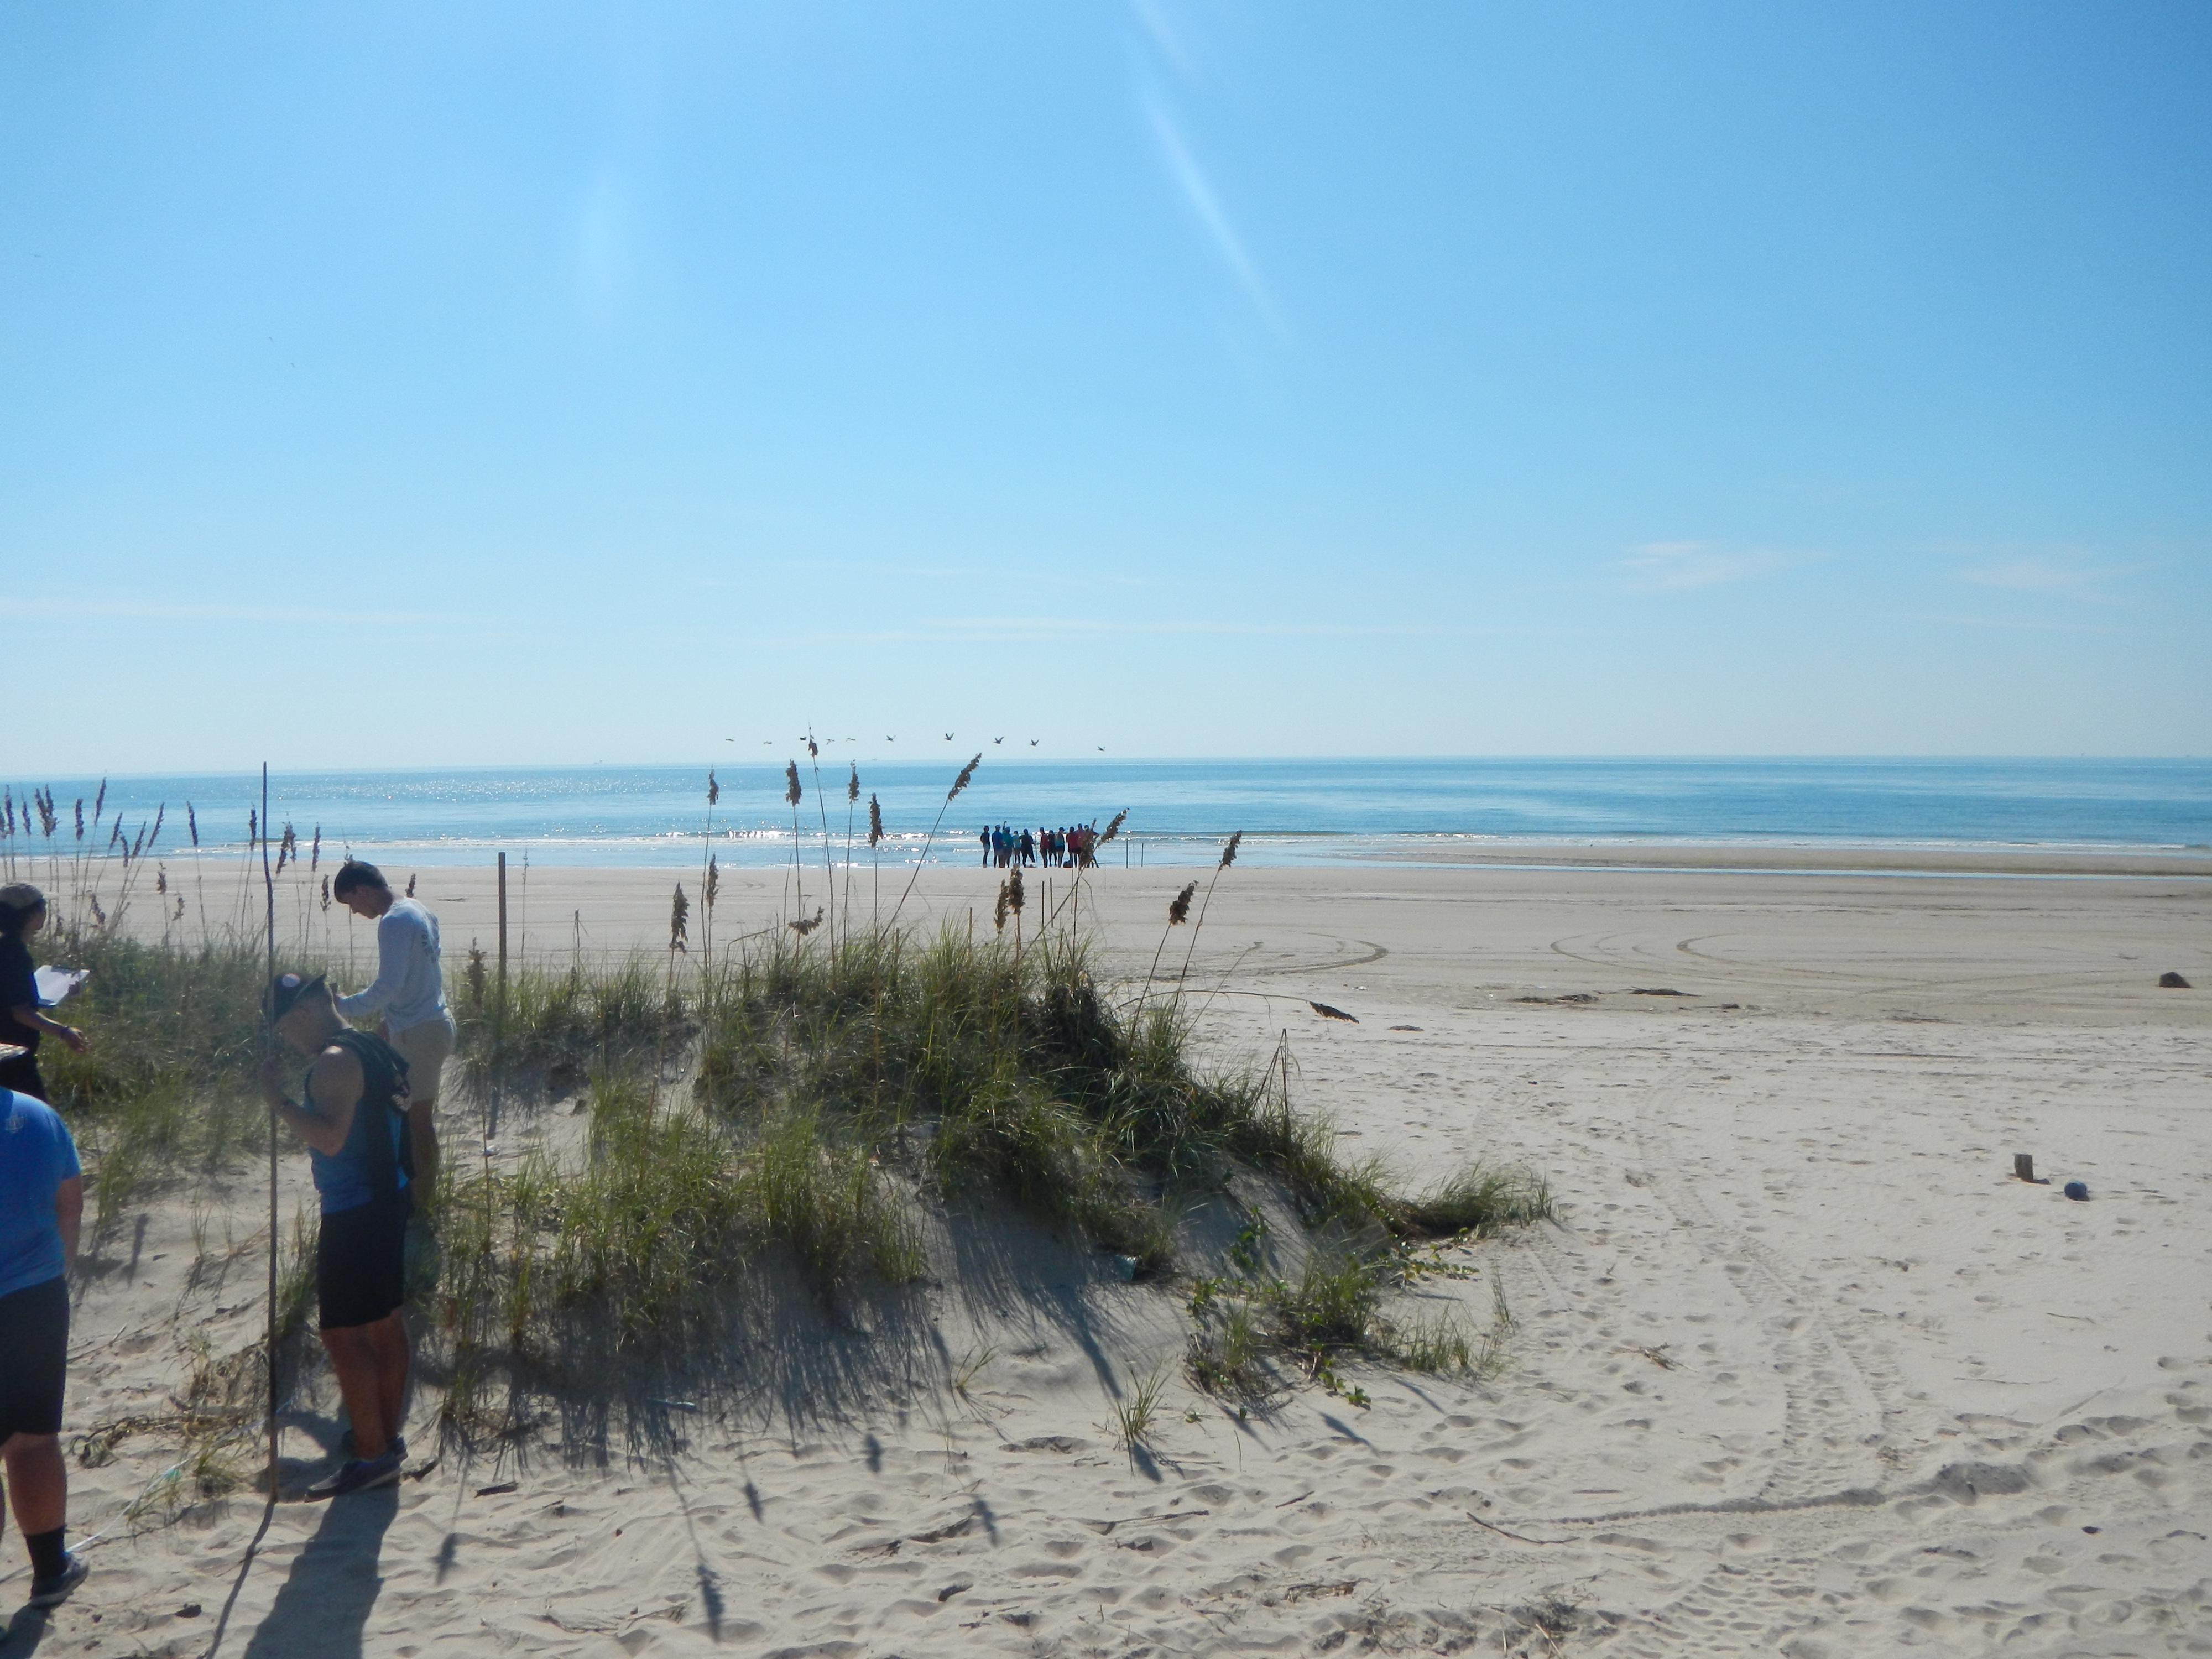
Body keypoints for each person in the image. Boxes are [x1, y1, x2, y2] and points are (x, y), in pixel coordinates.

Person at [258, 972, 414, 1498]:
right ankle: (382, 1439)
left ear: (301, 1015)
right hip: (388, 1197)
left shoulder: (332, 1061)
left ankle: (373, 1458)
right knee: (385, 1323)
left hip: (357, 1209)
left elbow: (328, 1139)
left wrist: (278, 1101)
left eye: (283, 1029)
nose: (287, 1040)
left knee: (344, 1334)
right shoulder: (371, 1043)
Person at [0, 1083, 88, 1606]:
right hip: (35, 1294)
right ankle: (51, 1569)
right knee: (32, 1439)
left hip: (34, 1290)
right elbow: (69, 1206)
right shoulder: (38, 1115)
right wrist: (62, 1275)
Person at [329, 861, 448, 1196]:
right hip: (428, 1024)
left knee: (417, 1122)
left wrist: (342, 1006)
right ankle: (420, 1195)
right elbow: (422, 976)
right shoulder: (417, 909)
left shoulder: (394, 921)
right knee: (415, 1119)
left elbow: (389, 986)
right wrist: (389, 1021)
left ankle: (423, 1202)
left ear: (363, 891)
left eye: (351, 902)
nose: (354, 911)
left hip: (420, 1031)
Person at [0, 885, 88, 1103]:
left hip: (8, 1050)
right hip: (12, 1053)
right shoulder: (14, 953)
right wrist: (64, 1032)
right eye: (43, 910)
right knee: (34, 1118)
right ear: (31, 914)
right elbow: (19, 1011)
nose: (44, 916)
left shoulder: (6, 947)